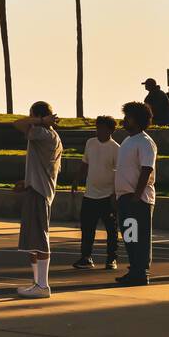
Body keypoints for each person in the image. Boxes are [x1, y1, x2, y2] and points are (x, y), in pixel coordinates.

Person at [12, 101, 62, 298]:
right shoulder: (50, 135)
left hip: (40, 192)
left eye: (32, 115)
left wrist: (40, 121)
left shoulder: (43, 133)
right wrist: (27, 181)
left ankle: (43, 285)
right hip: (36, 187)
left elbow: (18, 124)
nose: (30, 120)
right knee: (33, 240)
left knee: (40, 239)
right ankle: (37, 282)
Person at [115, 101, 157, 286]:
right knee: (130, 237)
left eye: (128, 117)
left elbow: (147, 170)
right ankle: (134, 270)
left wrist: (136, 196)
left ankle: (141, 273)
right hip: (125, 197)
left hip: (138, 199)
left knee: (139, 237)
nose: (124, 120)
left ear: (137, 120)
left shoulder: (145, 142)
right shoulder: (127, 141)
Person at [71, 115, 119, 270]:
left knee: (111, 230)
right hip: (90, 195)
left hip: (107, 195)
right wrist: (77, 179)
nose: (99, 131)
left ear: (111, 130)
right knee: (87, 228)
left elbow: (119, 173)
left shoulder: (116, 148)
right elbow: (85, 163)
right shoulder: (90, 143)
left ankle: (111, 259)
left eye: (103, 128)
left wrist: (114, 194)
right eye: (98, 128)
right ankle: (86, 257)